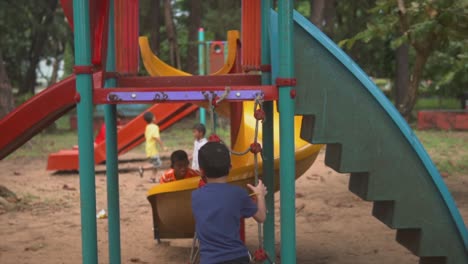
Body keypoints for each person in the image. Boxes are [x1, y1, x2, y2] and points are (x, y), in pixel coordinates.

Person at [191, 142, 267, 264]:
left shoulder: (196, 196)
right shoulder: (238, 194)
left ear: (201, 171)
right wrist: (260, 195)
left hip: (209, 260)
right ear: (230, 168)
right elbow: (261, 217)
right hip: (237, 258)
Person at [139, 112, 167, 181]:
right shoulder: (155, 127)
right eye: (154, 117)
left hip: (149, 148)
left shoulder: (147, 127)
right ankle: (142, 168)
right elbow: (156, 137)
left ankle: (153, 178)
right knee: (158, 163)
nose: (155, 118)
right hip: (152, 149)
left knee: (154, 163)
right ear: (152, 119)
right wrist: (163, 146)